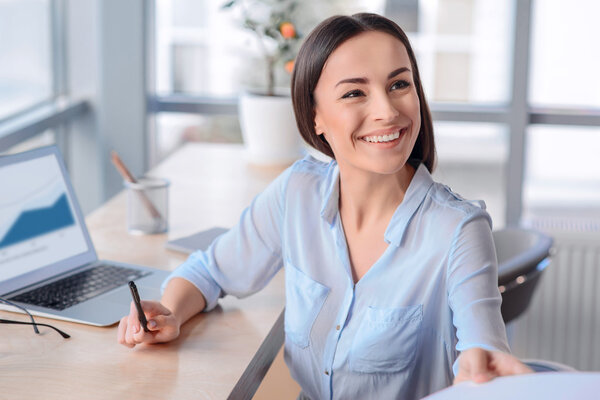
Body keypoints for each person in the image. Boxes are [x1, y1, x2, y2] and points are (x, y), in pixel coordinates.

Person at [118, 13, 531, 399]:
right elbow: (209, 270)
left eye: (399, 84)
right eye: (355, 92)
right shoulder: (296, 192)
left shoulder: (458, 229)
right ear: (315, 117)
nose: (387, 111)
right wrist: (168, 312)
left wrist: (481, 372)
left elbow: (483, 347)